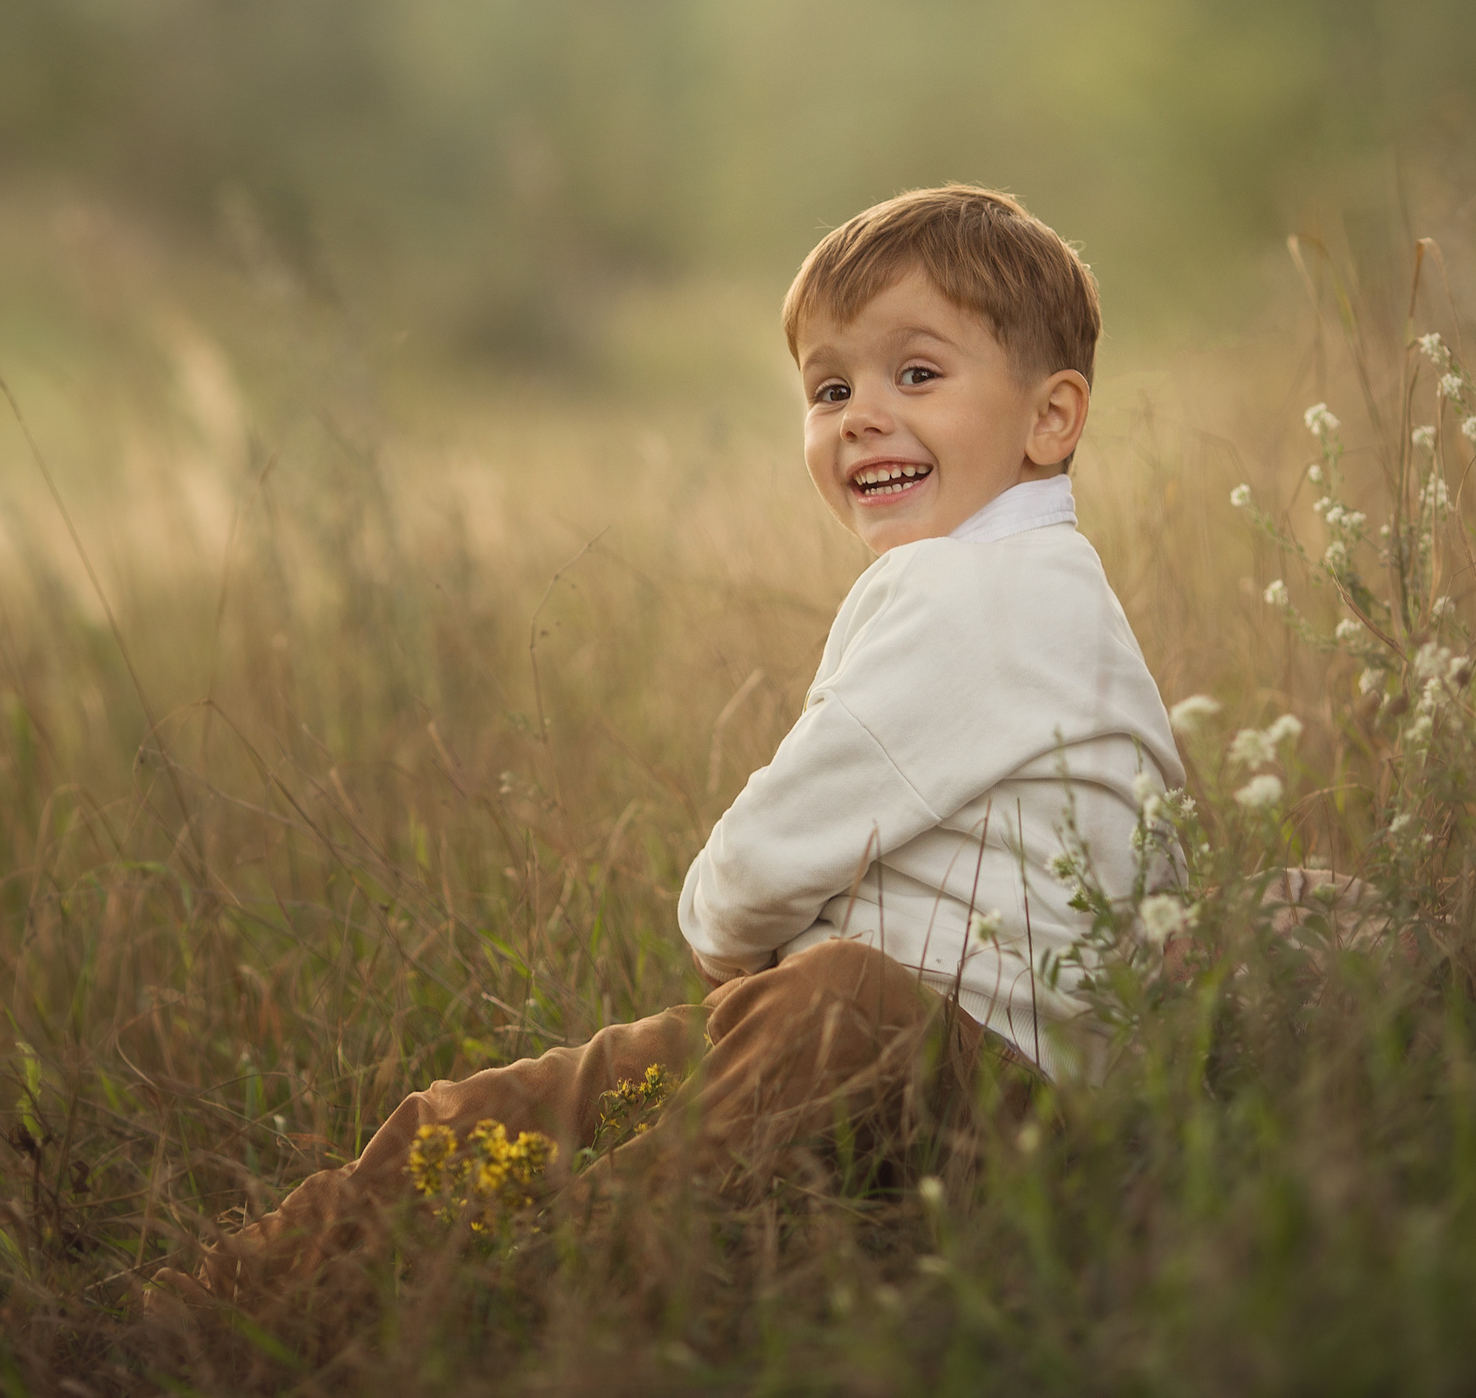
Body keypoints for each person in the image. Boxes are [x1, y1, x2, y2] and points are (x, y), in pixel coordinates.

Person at [149, 183, 1187, 1317]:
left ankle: (501, 1297)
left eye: (918, 375)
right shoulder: (1044, 590)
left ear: (1051, 418)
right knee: (550, 1100)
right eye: (830, 388)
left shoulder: (976, 591)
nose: (860, 416)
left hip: (989, 1097)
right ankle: (238, 1302)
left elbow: (760, 861)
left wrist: (726, 946)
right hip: (964, 1084)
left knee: (810, 1009)